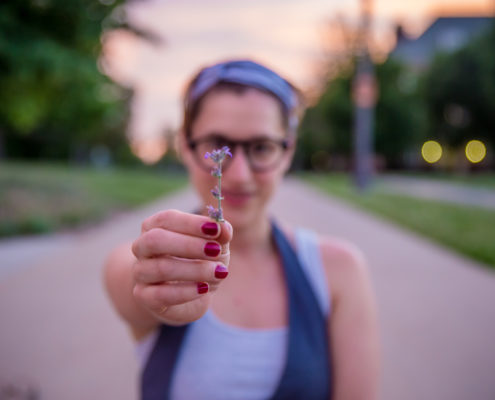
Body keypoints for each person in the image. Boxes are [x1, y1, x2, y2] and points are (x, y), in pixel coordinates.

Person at [104, 59, 380, 400]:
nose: (237, 176)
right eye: (218, 145)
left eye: (261, 148)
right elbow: (128, 278)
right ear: (185, 146)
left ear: (288, 151)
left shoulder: (338, 270)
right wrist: (154, 285)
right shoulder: (151, 256)